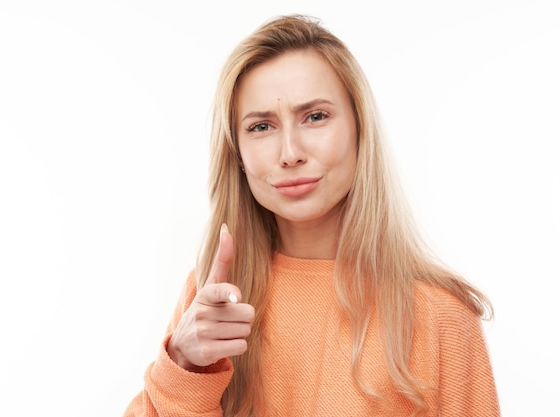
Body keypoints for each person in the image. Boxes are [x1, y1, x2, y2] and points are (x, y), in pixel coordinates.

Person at [123, 14, 500, 417]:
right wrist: (183, 366)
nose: (290, 153)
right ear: (238, 156)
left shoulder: (440, 313)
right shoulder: (214, 297)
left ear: (360, 129)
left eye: (315, 116)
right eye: (261, 126)